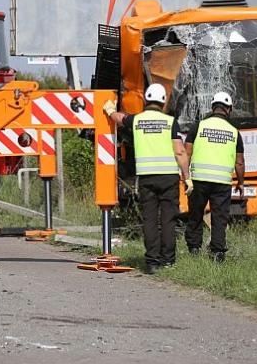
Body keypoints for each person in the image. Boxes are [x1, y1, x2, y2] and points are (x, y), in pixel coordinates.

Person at [104, 84, 190, 274]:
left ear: (146, 100)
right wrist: (187, 177)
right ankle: (167, 261)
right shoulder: (170, 122)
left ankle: (152, 262)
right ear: (162, 102)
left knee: (150, 219)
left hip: (146, 178)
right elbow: (180, 151)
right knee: (168, 219)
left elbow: (120, 118)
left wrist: (110, 110)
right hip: (168, 177)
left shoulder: (137, 121)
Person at [184, 91, 245, 262]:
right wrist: (241, 183)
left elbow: (186, 152)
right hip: (222, 183)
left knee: (196, 214)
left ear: (212, 107)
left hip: (199, 180)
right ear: (229, 109)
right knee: (219, 217)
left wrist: (185, 176)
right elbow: (239, 163)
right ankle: (218, 252)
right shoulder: (234, 132)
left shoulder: (198, 126)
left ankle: (194, 249)